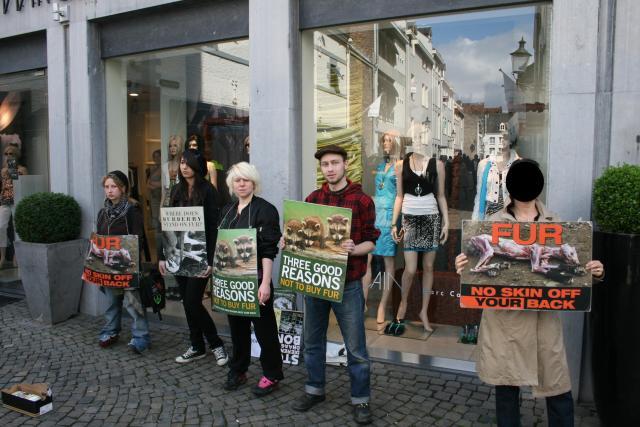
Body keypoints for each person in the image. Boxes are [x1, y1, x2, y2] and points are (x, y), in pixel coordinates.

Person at [455, 159, 605, 427]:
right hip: (505, 323)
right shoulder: (491, 223)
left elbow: (574, 269)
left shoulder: (556, 223)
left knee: (558, 391)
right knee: (507, 393)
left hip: (543, 323)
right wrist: (462, 266)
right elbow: (473, 269)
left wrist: (594, 271)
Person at [291, 145, 379, 425]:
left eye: (334, 163)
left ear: (345, 165)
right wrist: (289, 242)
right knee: (313, 342)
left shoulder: (362, 200)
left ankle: (360, 399)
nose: (329, 168)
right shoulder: (313, 198)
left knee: (356, 348)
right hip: (315, 280)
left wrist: (354, 249)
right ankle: (314, 389)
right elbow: (303, 237)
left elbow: (371, 241)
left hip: (348, 283)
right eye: (325, 164)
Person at [218, 162, 284, 396]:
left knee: (265, 331)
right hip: (232, 283)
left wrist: (265, 284)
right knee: (237, 330)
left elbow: (268, 251)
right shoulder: (226, 210)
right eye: (237, 180)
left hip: (255, 281)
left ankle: (272, 374)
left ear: (254, 182)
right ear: (231, 185)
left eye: (246, 179)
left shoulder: (265, 210)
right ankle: (239, 369)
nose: (242, 183)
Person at [158, 148, 229, 365]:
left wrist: (210, 259)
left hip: (200, 255)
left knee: (192, 301)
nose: (184, 166)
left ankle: (216, 344)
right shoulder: (176, 191)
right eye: (181, 162)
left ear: (197, 165)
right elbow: (167, 224)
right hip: (177, 253)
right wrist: (163, 254)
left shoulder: (208, 191)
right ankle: (197, 346)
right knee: (187, 302)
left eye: (188, 163)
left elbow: (214, 228)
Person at [385, 143, 449, 335]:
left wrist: (446, 223)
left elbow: (441, 195)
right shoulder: (400, 165)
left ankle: (423, 312)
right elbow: (399, 196)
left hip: (431, 218)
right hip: (410, 219)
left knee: (428, 267)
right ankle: (402, 306)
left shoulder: (437, 165)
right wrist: (393, 223)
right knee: (411, 269)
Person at [97, 170, 151, 354]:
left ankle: (141, 336)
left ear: (123, 188)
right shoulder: (103, 212)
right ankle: (111, 331)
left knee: (132, 302)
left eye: (114, 187)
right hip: (109, 265)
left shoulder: (132, 210)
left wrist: (130, 258)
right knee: (112, 300)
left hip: (128, 264)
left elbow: (139, 237)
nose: (110, 190)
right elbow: (99, 238)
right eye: (107, 187)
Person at [362, 132, 398, 326]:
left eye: (390, 140)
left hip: (390, 215)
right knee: (367, 259)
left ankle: (383, 305)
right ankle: (363, 302)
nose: (386, 143)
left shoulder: (399, 167)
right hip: (374, 213)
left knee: (388, 263)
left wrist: (395, 222)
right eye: (384, 140)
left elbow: (401, 195)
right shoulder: (377, 165)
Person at [472, 125, 520, 220]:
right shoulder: (484, 165)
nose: (502, 140)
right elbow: (479, 196)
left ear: (511, 140)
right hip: (489, 218)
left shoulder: (519, 165)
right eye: (499, 137)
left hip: (512, 218)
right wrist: (475, 221)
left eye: (505, 137)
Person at [0, 142, 27, 268]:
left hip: (17, 200)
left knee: (17, 228)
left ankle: (17, 255)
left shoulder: (22, 169)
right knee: (1, 226)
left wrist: (12, 170)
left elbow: (21, 181)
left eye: (11, 154)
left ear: (16, 155)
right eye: (6, 154)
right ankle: (3, 257)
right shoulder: (3, 170)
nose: (8, 156)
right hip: (5, 201)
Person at [161, 135, 183, 207]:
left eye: (175, 145)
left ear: (179, 147)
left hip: (180, 204)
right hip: (167, 203)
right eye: (170, 146)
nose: (172, 148)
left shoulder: (184, 165)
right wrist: (160, 209)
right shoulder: (164, 167)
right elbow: (164, 191)